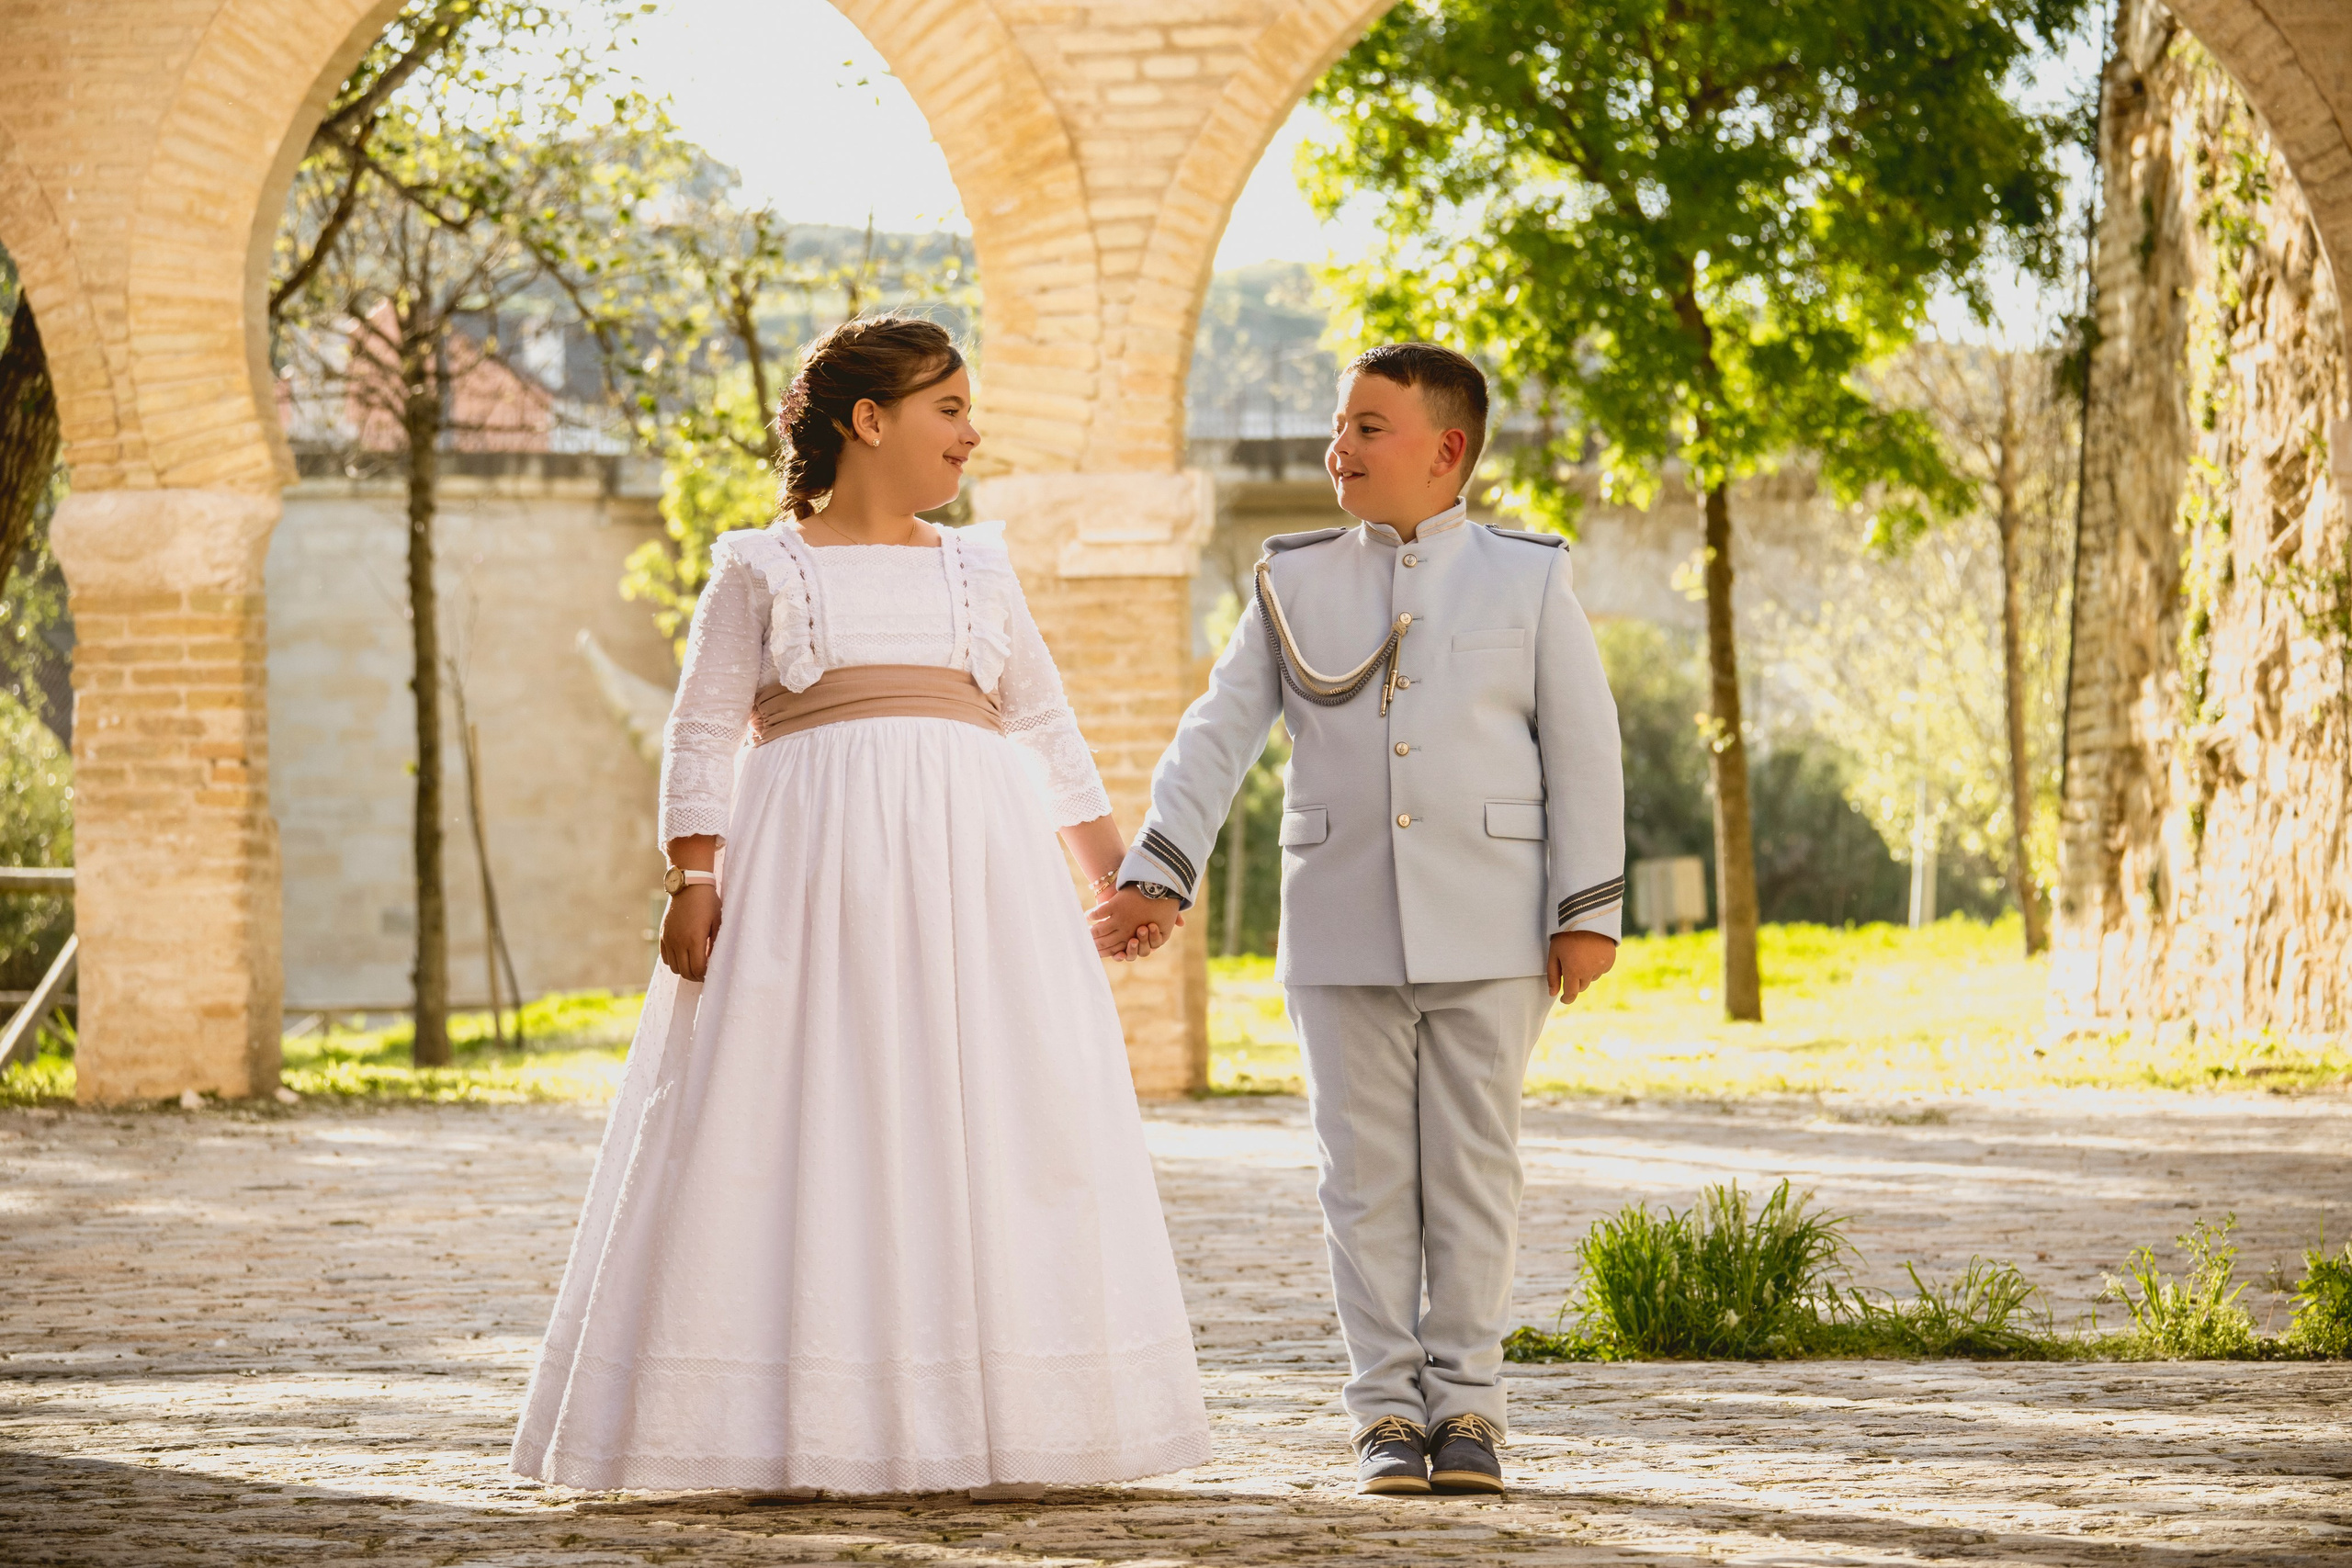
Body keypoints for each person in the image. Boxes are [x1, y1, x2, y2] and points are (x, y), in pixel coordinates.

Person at [513, 313, 1210, 1497]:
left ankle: (998, 1409)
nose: (971, 432)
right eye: (950, 408)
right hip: (808, 879)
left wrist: (1117, 876)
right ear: (869, 421)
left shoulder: (978, 567)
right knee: (798, 1109)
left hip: (975, 878)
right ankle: (780, 1411)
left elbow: (1045, 724)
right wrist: (694, 873)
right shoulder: (760, 567)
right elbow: (701, 727)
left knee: (985, 1108)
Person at [1091, 343, 1623, 1497]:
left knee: (1473, 1174)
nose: (1340, 446)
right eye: (1339, 425)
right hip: (1338, 923)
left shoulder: (1528, 578)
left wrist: (1585, 908)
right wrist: (1159, 871)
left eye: (1368, 427)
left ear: (1446, 449)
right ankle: (1385, 1410)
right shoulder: (1290, 581)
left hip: (1494, 924)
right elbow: (1215, 735)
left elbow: (1584, 750)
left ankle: (1468, 1409)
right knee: (1363, 1180)